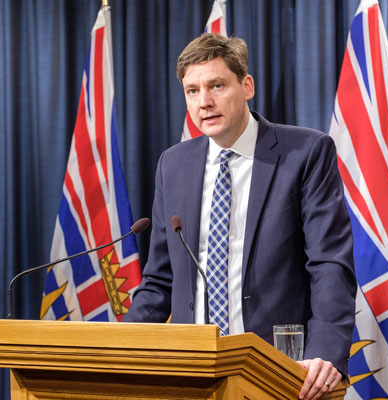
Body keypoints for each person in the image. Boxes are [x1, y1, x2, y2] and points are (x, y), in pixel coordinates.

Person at [123, 33, 356, 400]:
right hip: (191, 373)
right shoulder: (174, 164)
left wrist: (326, 351)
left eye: (217, 85)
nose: (205, 102)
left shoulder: (305, 153)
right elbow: (159, 281)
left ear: (246, 86)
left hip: (277, 369)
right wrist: (119, 347)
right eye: (192, 91)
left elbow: (329, 263)